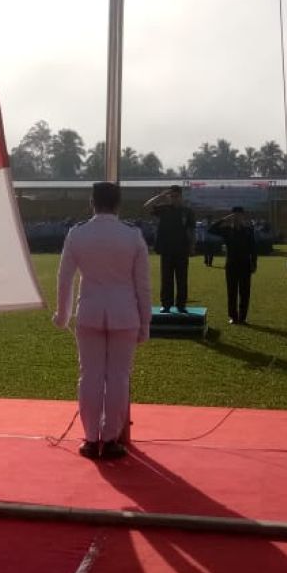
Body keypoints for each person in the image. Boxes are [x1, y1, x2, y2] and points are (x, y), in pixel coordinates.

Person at [53, 182, 151, 461]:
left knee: (90, 377)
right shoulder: (132, 236)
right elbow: (143, 286)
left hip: (90, 312)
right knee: (119, 378)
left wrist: (62, 316)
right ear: (118, 204)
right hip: (124, 314)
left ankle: (91, 437)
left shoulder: (77, 233)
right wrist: (146, 323)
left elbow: (65, 279)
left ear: (92, 203)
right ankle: (109, 439)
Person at [144, 185, 195, 313]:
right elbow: (146, 206)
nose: (174, 199)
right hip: (166, 249)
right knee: (166, 279)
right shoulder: (163, 209)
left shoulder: (187, 211)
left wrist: (192, 246)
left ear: (181, 196)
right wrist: (161, 196)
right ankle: (166, 305)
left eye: (176, 196)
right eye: (171, 196)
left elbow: (191, 230)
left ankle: (181, 305)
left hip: (182, 249)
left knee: (182, 279)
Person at [210, 206, 258, 325]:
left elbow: (253, 248)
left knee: (245, 292)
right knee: (231, 292)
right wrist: (224, 219)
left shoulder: (248, 230)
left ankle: (243, 317)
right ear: (232, 216)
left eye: (239, 215)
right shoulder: (227, 230)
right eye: (235, 215)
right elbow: (211, 229)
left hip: (245, 264)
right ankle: (233, 316)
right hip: (231, 264)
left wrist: (254, 263)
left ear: (243, 216)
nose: (237, 217)